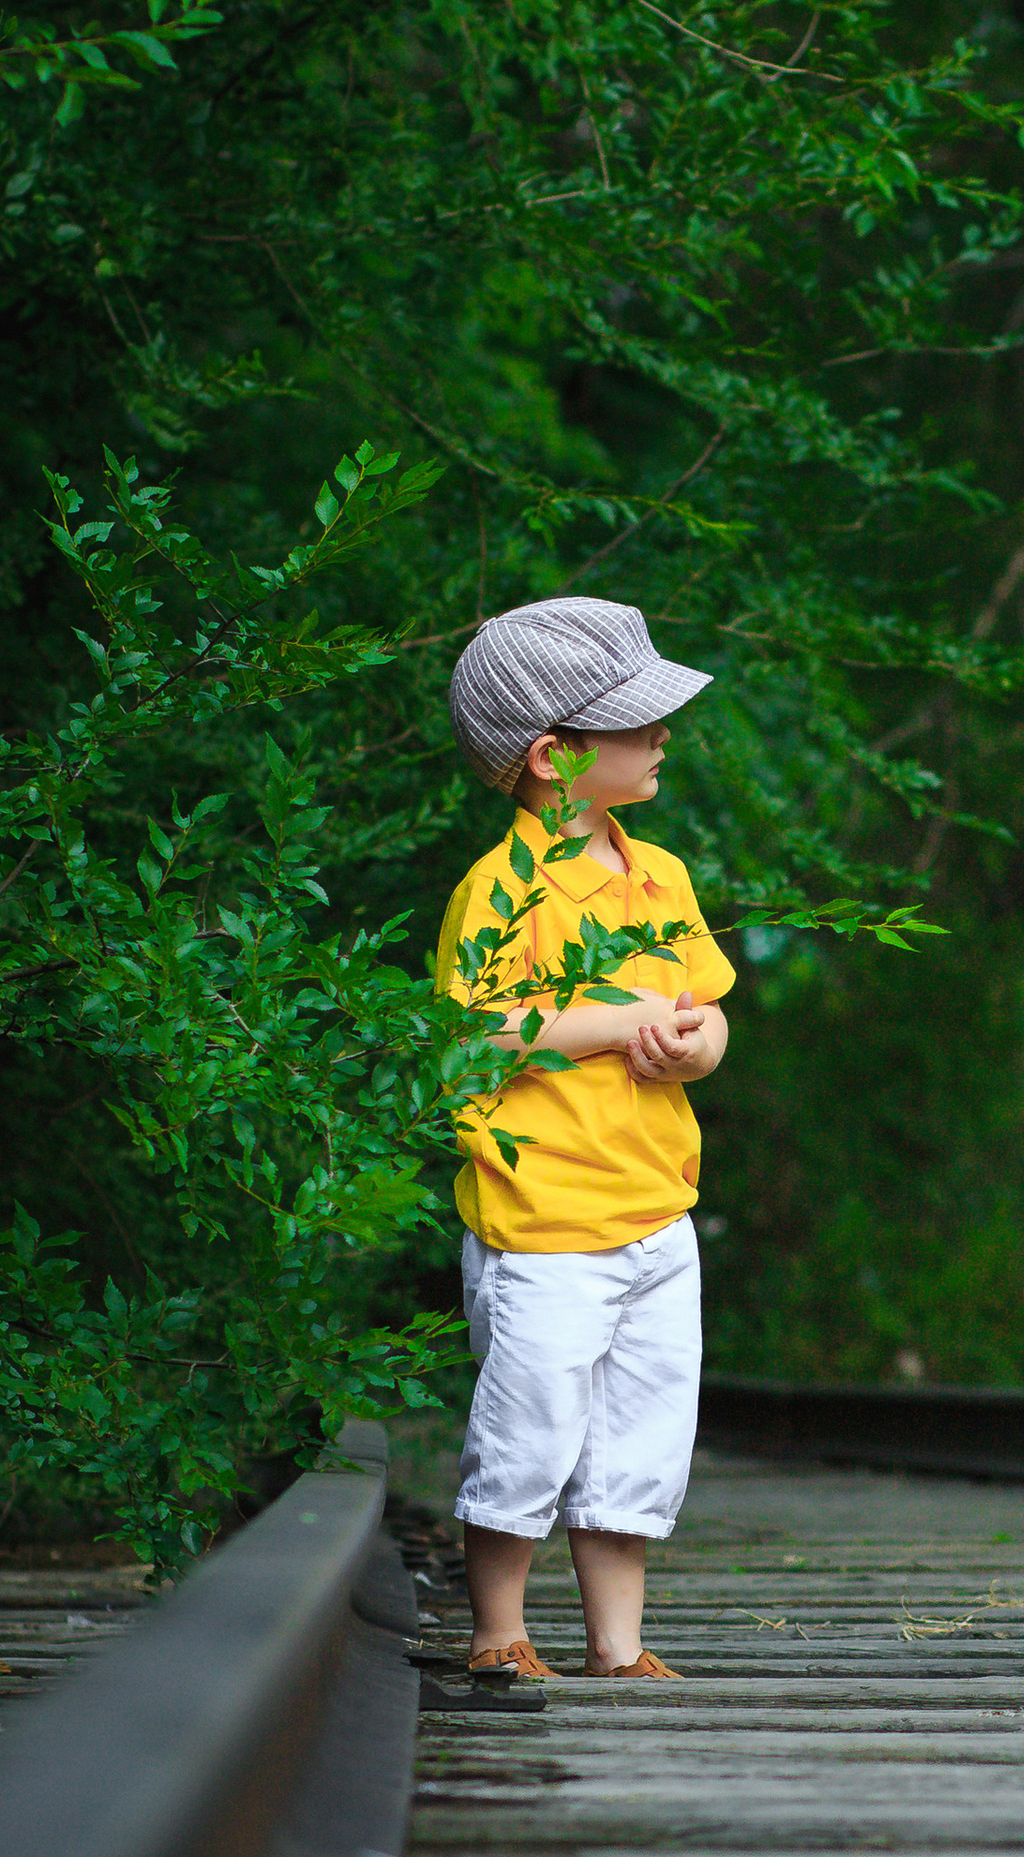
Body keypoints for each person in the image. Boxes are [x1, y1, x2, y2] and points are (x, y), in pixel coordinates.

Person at [436, 596, 735, 1679]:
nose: (664, 734)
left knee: (641, 1439)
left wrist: (694, 1046)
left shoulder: (660, 873)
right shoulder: (502, 889)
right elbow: (475, 1029)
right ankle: (498, 1628)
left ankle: (619, 1642)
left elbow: (706, 1005)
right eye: (636, 721)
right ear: (553, 757)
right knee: (531, 1424)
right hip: (545, 1218)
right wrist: (612, 1025)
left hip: (656, 1208)